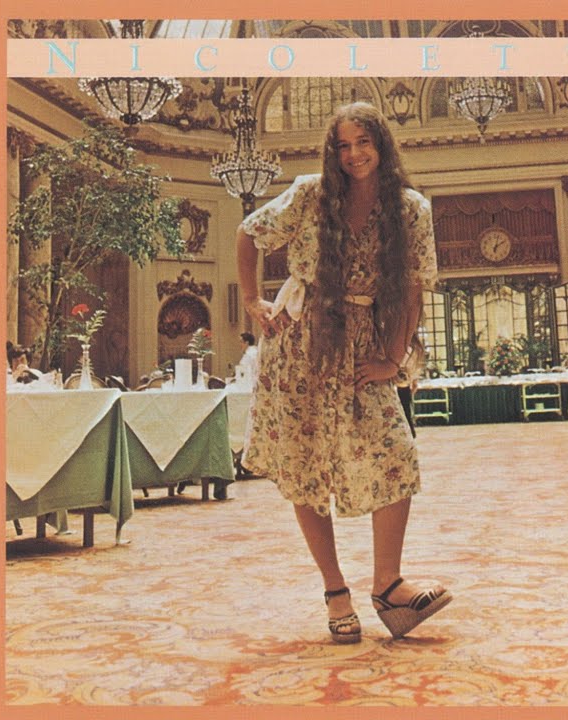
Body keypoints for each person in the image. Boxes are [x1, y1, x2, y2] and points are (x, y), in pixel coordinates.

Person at [236, 101, 451, 644]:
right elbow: (248, 233)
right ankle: (335, 591)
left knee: (395, 454)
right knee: (305, 464)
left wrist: (393, 359)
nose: (353, 154)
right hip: (299, 342)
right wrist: (252, 300)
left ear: (382, 145)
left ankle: (387, 585)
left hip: (362, 342)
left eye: (363, 142)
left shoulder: (411, 209)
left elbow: (413, 292)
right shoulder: (310, 194)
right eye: (343, 146)